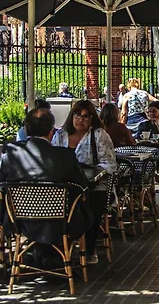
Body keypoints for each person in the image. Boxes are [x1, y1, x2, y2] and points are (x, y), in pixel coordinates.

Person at [0, 108, 93, 268]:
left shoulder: (10, 153)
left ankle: (39, 253)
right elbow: (82, 185)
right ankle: (51, 255)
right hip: (61, 222)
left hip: (19, 222)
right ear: (51, 131)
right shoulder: (64, 156)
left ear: (26, 129)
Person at [52, 100, 117, 264]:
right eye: (77, 115)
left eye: (85, 116)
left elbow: (110, 165)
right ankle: (56, 249)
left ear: (92, 119)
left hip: (95, 187)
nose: (80, 119)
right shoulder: (60, 135)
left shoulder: (99, 136)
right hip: (65, 186)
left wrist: (94, 173)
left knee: (90, 207)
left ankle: (89, 249)